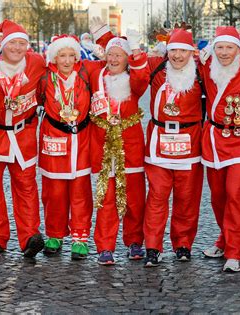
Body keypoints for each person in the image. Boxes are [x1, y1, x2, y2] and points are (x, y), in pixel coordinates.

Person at [0, 20, 46, 258]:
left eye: (22, 43)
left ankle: (29, 237)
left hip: (23, 135)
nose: (17, 48)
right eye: (12, 43)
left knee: (26, 187)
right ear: (2, 45)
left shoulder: (36, 63)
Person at [198, 26, 240, 272]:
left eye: (229, 48)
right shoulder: (206, 64)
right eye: (220, 47)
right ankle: (225, 239)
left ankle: (236, 250)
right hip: (214, 138)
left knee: (237, 195)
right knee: (218, 197)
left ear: (239, 48)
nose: (224, 53)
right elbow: (176, 55)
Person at [89, 18, 149, 265]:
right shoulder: (95, 74)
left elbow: (142, 76)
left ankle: (135, 241)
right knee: (106, 199)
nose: (113, 59)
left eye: (119, 56)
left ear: (127, 60)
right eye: (110, 55)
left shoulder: (134, 82)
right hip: (102, 146)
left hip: (130, 146)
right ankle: (105, 246)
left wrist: (134, 50)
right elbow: (65, 60)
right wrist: (103, 36)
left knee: (135, 198)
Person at [142, 28, 204, 267]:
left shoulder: (201, 72)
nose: (178, 56)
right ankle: (152, 247)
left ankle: (183, 244)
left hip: (190, 144)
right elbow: (129, 62)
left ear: (191, 53)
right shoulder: (158, 67)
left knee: (187, 199)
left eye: (183, 51)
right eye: (174, 50)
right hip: (159, 143)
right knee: (157, 197)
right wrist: (105, 37)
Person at [39, 34, 103, 259]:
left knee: (80, 193)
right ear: (53, 57)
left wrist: (100, 40)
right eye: (61, 55)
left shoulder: (86, 73)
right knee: (54, 193)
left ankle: (80, 237)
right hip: (53, 138)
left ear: (77, 56)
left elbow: (112, 62)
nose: (66, 61)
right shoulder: (45, 76)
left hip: (81, 139)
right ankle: (54, 235)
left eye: (71, 55)